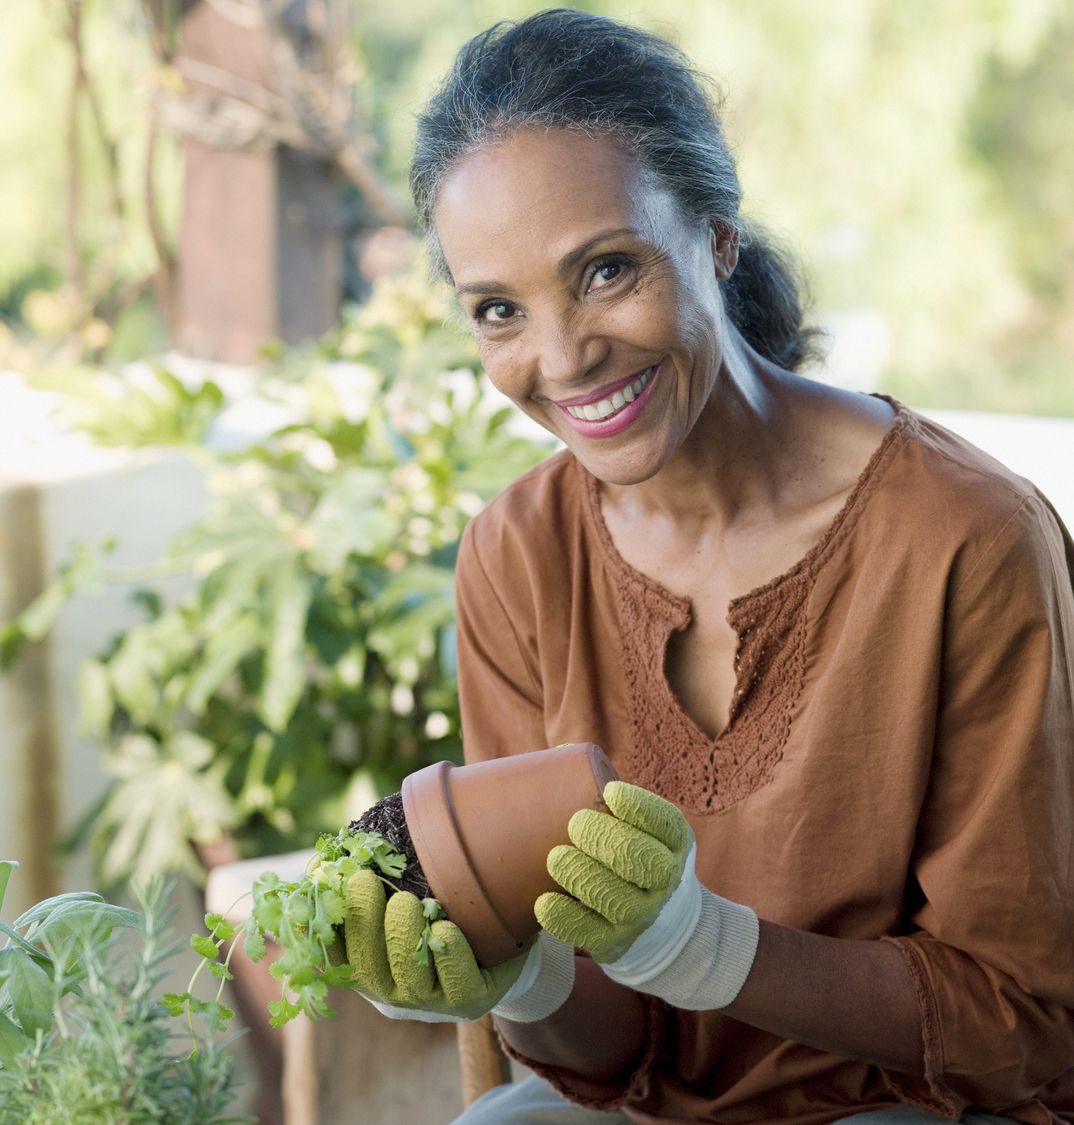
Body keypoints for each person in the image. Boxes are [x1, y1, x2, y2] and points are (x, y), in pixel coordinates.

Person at [337, 9, 1074, 1123]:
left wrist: (704, 944)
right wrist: (520, 976)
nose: (564, 357)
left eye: (606, 271)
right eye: (499, 310)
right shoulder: (517, 554)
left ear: (717, 238)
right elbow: (601, 1051)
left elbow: (1021, 1021)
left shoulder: (967, 539)